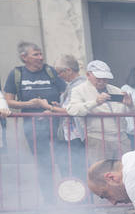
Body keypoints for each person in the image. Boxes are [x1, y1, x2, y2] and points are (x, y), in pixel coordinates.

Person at [4, 42, 66, 202]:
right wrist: (30, 105)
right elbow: (8, 101)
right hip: (32, 128)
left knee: (65, 161)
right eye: (36, 54)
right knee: (44, 164)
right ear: (24, 57)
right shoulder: (16, 74)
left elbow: (65, 93)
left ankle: (70, 199)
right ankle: (50, 201)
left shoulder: (49, 71)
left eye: (41, 54)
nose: (41, 57)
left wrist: (55, 107)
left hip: (57, 124)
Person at [66, 59, 128, 163]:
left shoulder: (116, 90)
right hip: (97, 139)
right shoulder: (78, 90)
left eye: (105, 78)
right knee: (99, 173)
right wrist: (95, 102)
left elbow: (130, 111)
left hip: (121, 138)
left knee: (123, 171)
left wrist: (130, 105)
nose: (102, 81)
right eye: (98, 78)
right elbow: (72, 110)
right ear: (88, 75)